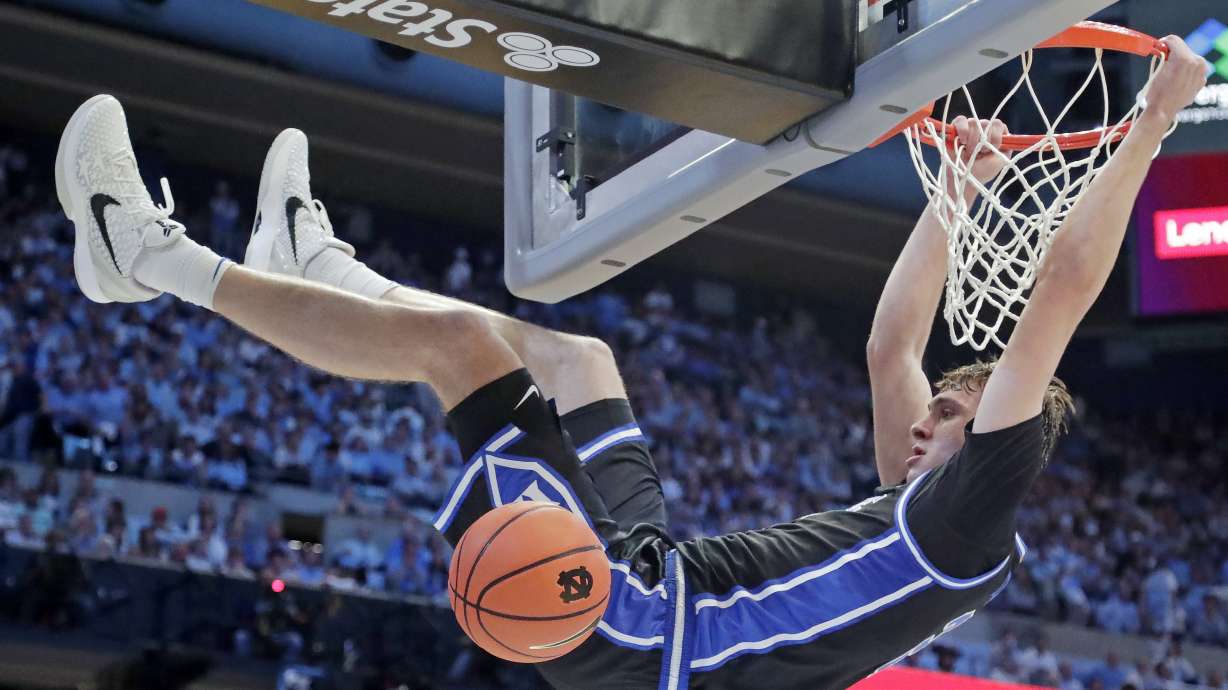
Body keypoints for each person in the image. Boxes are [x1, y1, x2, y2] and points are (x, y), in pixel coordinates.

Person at [50, 36, 1206, 690]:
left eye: (950, 415)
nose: (923, 421)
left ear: (997, 442)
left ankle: (145, 257)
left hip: (653, 641)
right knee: (577, 355)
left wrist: (1148, 126)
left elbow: (1057, 292)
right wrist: (963, 183)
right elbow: (891, 341)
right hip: (663, 582)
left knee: (462, 351)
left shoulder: (969, 521)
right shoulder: (915, 507)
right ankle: (317, 267)